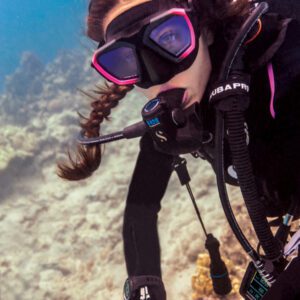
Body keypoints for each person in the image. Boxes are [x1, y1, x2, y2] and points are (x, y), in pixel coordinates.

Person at [57, 0, 300, 299]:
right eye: (125, 60)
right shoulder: (176, 116)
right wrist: (143, 285)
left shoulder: (287, 64)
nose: (157, 75)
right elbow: (141, 207)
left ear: (205, 29)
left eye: (169, 37)